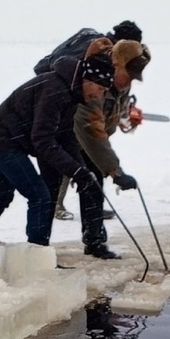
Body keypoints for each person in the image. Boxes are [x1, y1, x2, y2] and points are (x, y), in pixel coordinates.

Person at [0, 50, 116, 258]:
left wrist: (81, 169)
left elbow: (65, 136)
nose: (98, 95)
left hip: (2, 137)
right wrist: (75, 171)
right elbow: (43, 140)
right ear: (86, 78)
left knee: (3, 195)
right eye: (99, 88)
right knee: (40, 196)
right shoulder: (55, 89)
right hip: (2, 140)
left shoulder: (71, 93)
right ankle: (36, 258)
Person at [33, 20, 142, 221]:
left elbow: (112, 101)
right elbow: (92, 115)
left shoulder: (114, 59)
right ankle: (57, 206)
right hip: (70, 115)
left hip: (79, 117)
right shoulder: (103, 58)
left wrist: (125, 112)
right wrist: (115, 171)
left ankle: (92, 212)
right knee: (69, 160)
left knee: (85, 166)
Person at [68, 38, 150, 259]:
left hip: (88, 139)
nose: (129, 81)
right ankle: (39, 249)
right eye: (128, 74)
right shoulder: (95, 81)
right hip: (61, 135)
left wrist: (127, 120)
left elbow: (110, 120)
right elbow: (92, 128)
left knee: (93, 184)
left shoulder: (122, 82)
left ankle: (94, 242)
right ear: (116, 65)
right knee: (46, 192)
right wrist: (115, 171)